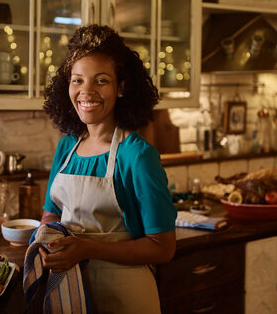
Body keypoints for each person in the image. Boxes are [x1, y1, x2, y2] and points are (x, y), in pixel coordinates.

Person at [41, 24, 177, 313]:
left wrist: (87, 248)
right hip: (69, 291)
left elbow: (163, 247)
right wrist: (44, 242)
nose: (86, 91)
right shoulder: (67, 148)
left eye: (100, 80)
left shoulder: (138, 156)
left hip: (125, 295)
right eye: (77, 80)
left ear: (121, 87)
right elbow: (51, 213)